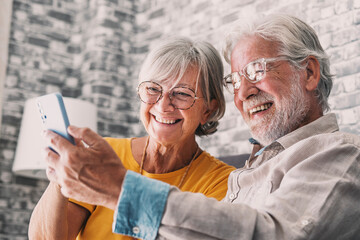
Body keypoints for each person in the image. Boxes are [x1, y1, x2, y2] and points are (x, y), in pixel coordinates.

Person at [33, 14, 360, 240]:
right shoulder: (249, 173)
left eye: (258, 70)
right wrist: (63, 173)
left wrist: (120, 189)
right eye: (236, 79)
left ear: (309, 73)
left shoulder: (341, 153)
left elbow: (271, 233)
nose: (243, 93)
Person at [28, 37, 236, 240]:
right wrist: (61, 177)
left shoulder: (224, 182)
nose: (163, 105)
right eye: (153, 89)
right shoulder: (105, 154)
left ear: (208, 110)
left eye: (182, 93)